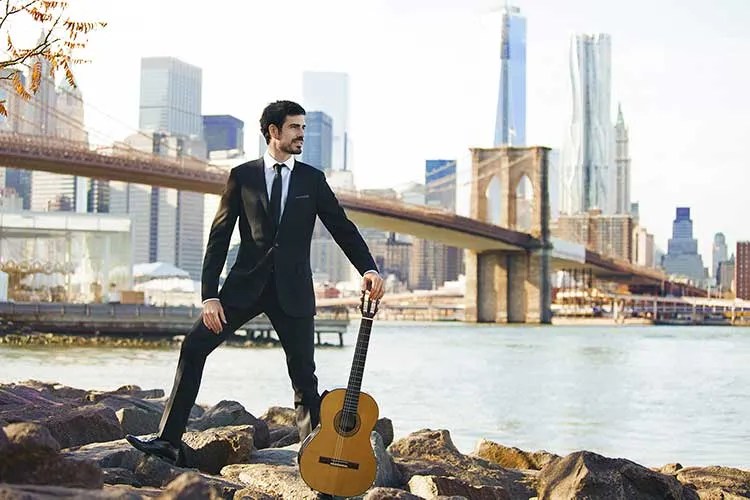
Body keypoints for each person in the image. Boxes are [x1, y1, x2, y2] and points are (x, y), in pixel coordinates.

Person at [126, 100, 385, 471]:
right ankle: (168, 441)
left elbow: (341, 227)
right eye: (294, 127)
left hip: (293, 291)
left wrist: (368, 268)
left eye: (304, 128)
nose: (301, 135)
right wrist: (210, 296)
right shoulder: (242, 176)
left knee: (304, 379)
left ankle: (317, 461)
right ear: (273, 132)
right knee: (194, 347)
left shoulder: (312, 180)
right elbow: (218, 238)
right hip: (242, 288)